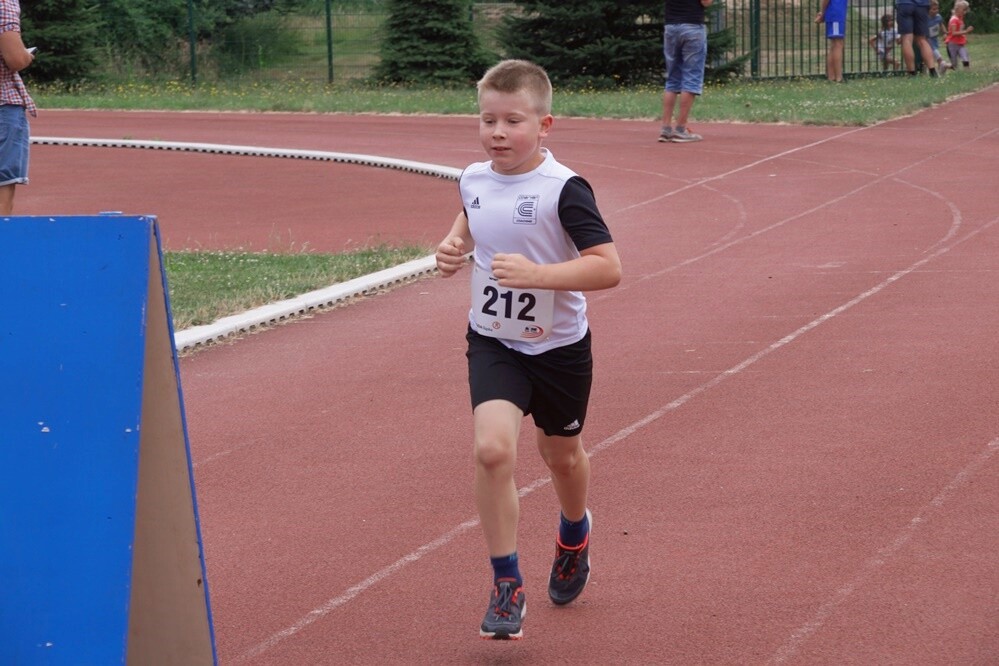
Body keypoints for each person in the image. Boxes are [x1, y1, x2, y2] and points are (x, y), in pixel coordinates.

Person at [435, 59, 622, 640]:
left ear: (545, 125)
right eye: (487, 119)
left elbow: (608, 269)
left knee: (560, 455)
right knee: (492, 452)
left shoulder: (564, 190)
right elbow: (473, 214)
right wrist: (451, 243)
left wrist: (539, 275)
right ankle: (506, 581)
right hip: (493, 340)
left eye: (512, 121)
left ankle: (573, 531)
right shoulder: (473, 177)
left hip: (560, 348)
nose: (497, 132)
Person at [659, 0, 713, 143]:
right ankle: (681, 129)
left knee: (672, 79)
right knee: (691, 77)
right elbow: (706, 2)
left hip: (671, 27)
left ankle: (665, 129)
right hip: (692, 26)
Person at [0, 0, 35, 216]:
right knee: (2, 190)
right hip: (3, 104)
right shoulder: (4, 3)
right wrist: (26, 56)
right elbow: (15, 58)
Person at [895, 0, 939, 76]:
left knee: (907, 39)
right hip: (922, 4)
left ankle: (911, 73)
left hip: (904, 4)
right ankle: (933, 71)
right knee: (922, 40)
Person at [815, 0, 848, 82]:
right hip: (836, 14)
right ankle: (838, 77)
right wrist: (822, 13)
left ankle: (832, 76)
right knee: (838, 44)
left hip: (835, 14)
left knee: (834, 45)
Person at [945, 0, 973, 69]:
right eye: (963, 10)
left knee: (965, 58)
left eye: (966, 10)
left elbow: (959, 30)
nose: (965, 12)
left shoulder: (960, 18)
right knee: (954, 65)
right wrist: (966, 31)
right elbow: (953, 33)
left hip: (960, 44)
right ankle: (944, 65)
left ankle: (967, 74)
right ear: (957, 9)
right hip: (952, 44)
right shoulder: (954, 19)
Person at [927, 1, 952, 72]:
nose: (936, 11)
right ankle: (942, 63)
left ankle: (940, 69)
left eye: (937, 9)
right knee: (933, 51)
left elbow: (941, 24)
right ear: (928, 10)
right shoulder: (926, 18)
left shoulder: (938, 17)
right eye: (933, 9)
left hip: (935, 39)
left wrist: (944, 33)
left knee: (933, 53)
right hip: (928, 39)